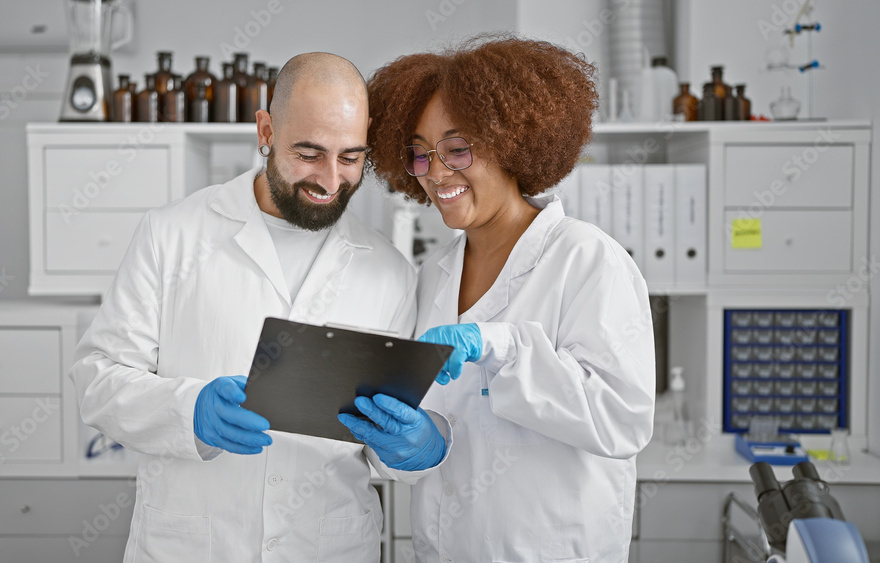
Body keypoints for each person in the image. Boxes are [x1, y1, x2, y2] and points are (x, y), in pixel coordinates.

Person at [70, 52, 450, 563]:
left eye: (350, 157)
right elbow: (97, 379)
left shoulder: (391, 272)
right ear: (266, 131)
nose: (331, 181)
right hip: (192, 546)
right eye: (309, 153)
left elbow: (392, 451)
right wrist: (190, 411)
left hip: (328, 547)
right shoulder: (172, 235)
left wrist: (415, 448)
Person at [364, 34, 656, 562]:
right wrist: (411, 447)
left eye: (457, 148)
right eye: (421, 154)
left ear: (513, 141)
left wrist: (505, 347)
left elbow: (622, 420)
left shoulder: (587, 259)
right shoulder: (434, 276)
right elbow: (436, 424)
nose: (437, 174)